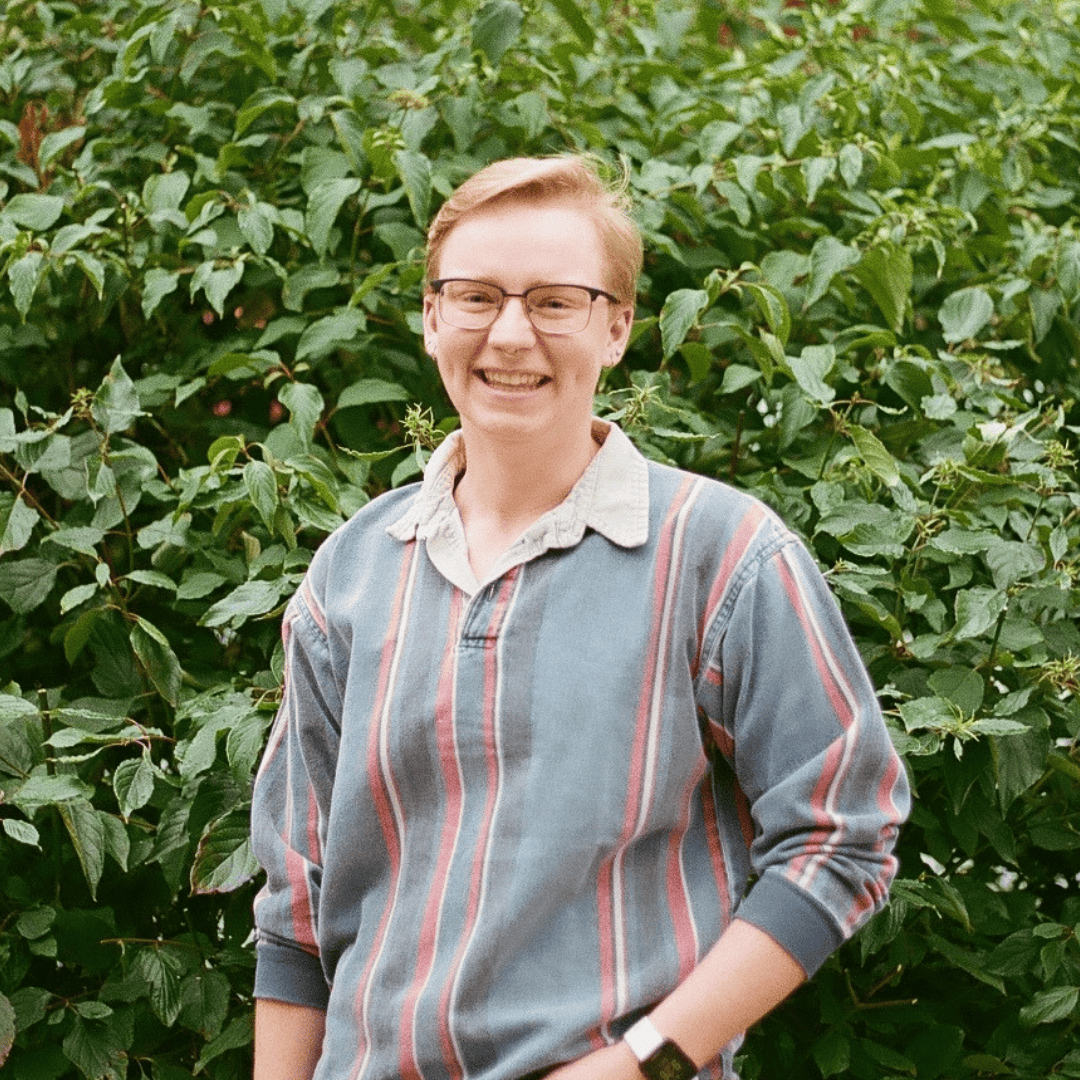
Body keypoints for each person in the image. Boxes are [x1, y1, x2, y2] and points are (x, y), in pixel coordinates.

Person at [250, 154, 910, 1080]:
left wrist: (649, 1062)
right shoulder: (352, 574)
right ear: (432, 316)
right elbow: (295, 909)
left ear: (617, 327)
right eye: (476, 296)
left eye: (555, 301)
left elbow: (843, 835)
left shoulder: (720, 557)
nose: (511, 335)